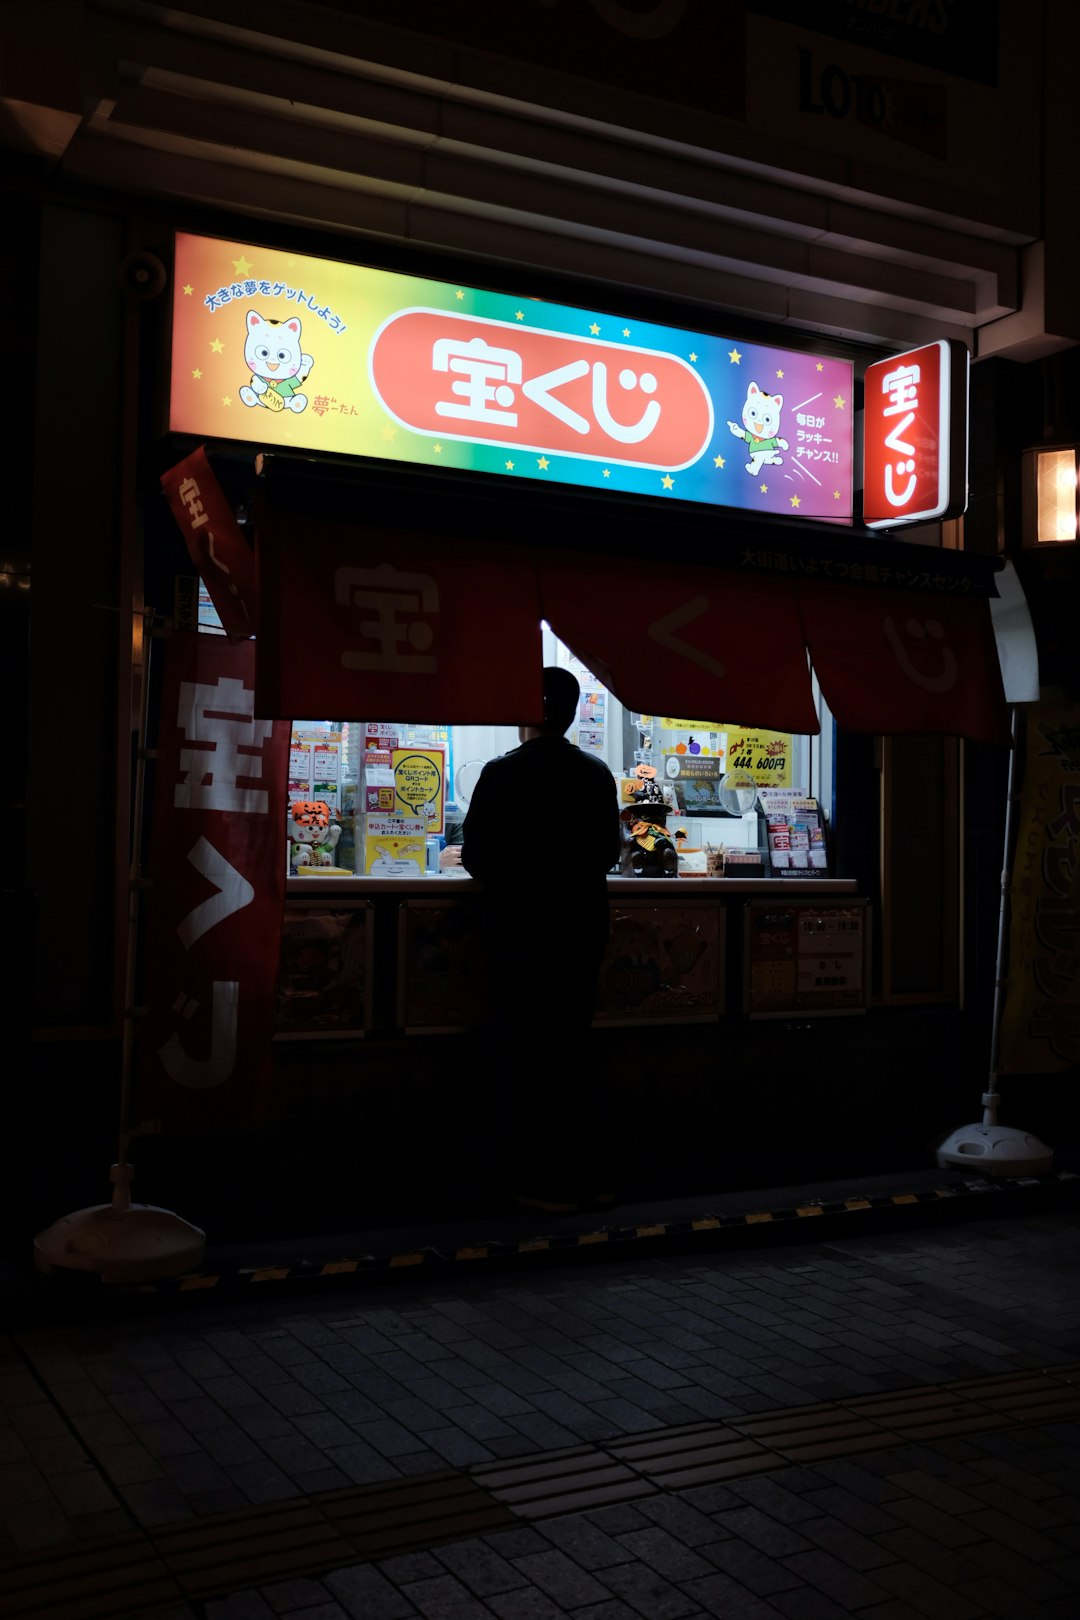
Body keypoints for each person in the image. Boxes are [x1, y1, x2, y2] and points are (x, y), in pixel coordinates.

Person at [462, 666, 622, 1213]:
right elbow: (607, 854)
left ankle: (535, 1179)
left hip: (520, 931)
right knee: (573, 1048)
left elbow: (476, 856)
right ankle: (590, 1177)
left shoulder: (501, 774)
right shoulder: (596, 773)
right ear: (573, 713)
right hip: (579, 930)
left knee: (525, 1052)